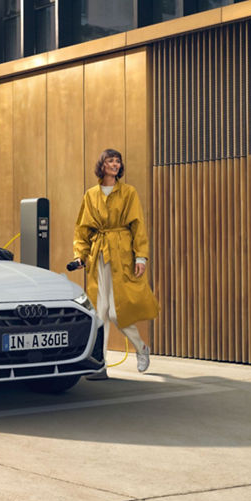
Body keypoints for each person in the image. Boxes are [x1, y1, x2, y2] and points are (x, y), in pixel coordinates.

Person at [72, 149, 159, 379]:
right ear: (102, 165)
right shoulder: (91, 195)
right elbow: (82, 228)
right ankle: (99, 365)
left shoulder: (128, 193)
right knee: (99, 312)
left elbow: (138, 225)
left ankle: (141, 348)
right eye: (110, 161)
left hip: (121, 254)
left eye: (118, 161)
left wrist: (141, 256)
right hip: (99, 254)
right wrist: (81, 254)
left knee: (116, 313)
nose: (115, 164)